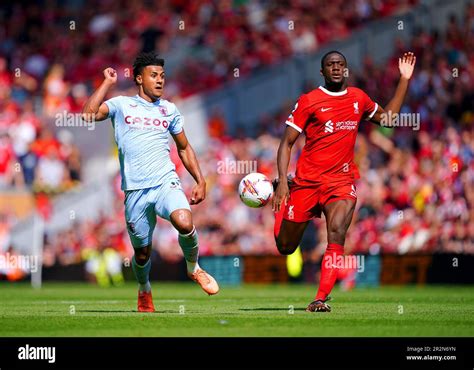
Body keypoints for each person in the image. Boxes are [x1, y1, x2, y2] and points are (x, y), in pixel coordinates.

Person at [272, 50, 416, 312]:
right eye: (330, 65)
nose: (336, 68)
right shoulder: (309, 101)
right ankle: (279, 210)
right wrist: (283, 181)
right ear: (322, 71)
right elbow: (286, 143)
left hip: (341, 182)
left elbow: (388, 119)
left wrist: (404, 79)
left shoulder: (358, 98)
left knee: (337, 232)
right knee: (285, 246)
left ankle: (320, 299)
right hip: (306, 182)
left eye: (340, 64)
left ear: (346, 69)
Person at [82, 52, 219, 312]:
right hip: (135, 191)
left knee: (184, 220)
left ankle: (194, 268)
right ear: (139, 79)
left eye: (162, 76)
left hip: (165, 182)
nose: (159, 81)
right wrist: (107, 84)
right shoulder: (121, 105)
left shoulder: (169, 109)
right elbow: (88, 115)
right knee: (142, 253)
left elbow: (184, 147)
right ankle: (144, 289)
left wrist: (200, 180)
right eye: (153, 75)